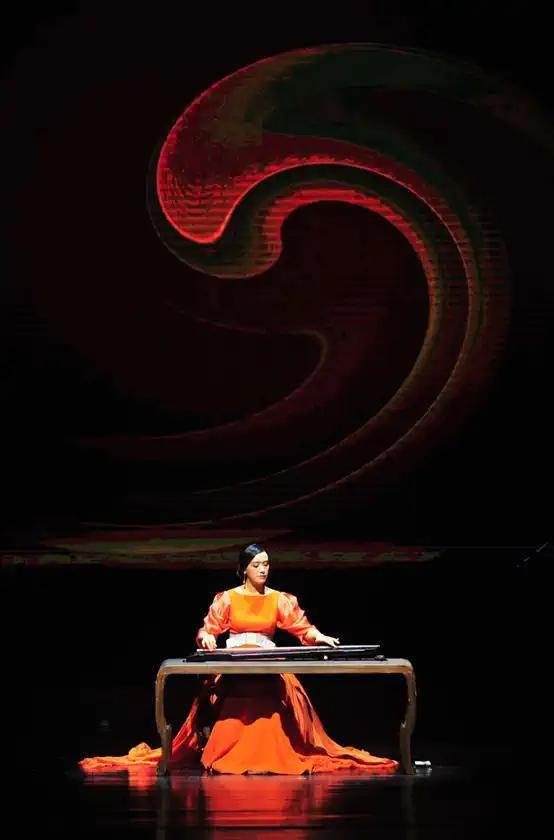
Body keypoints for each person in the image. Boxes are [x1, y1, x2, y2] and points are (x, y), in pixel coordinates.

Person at [80, 544, 398, 775]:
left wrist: (319, 636)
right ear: (245, 568)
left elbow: (302, 627)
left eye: (267, 564)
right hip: (236, 662)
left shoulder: (279, 599)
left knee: (276, 692)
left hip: (268, 663)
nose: (263, 569)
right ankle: (227, 752)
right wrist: (207, 638)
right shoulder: (228, 598)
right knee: (228, 690)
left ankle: (273, 755)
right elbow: (209, 628)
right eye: (257, 564)